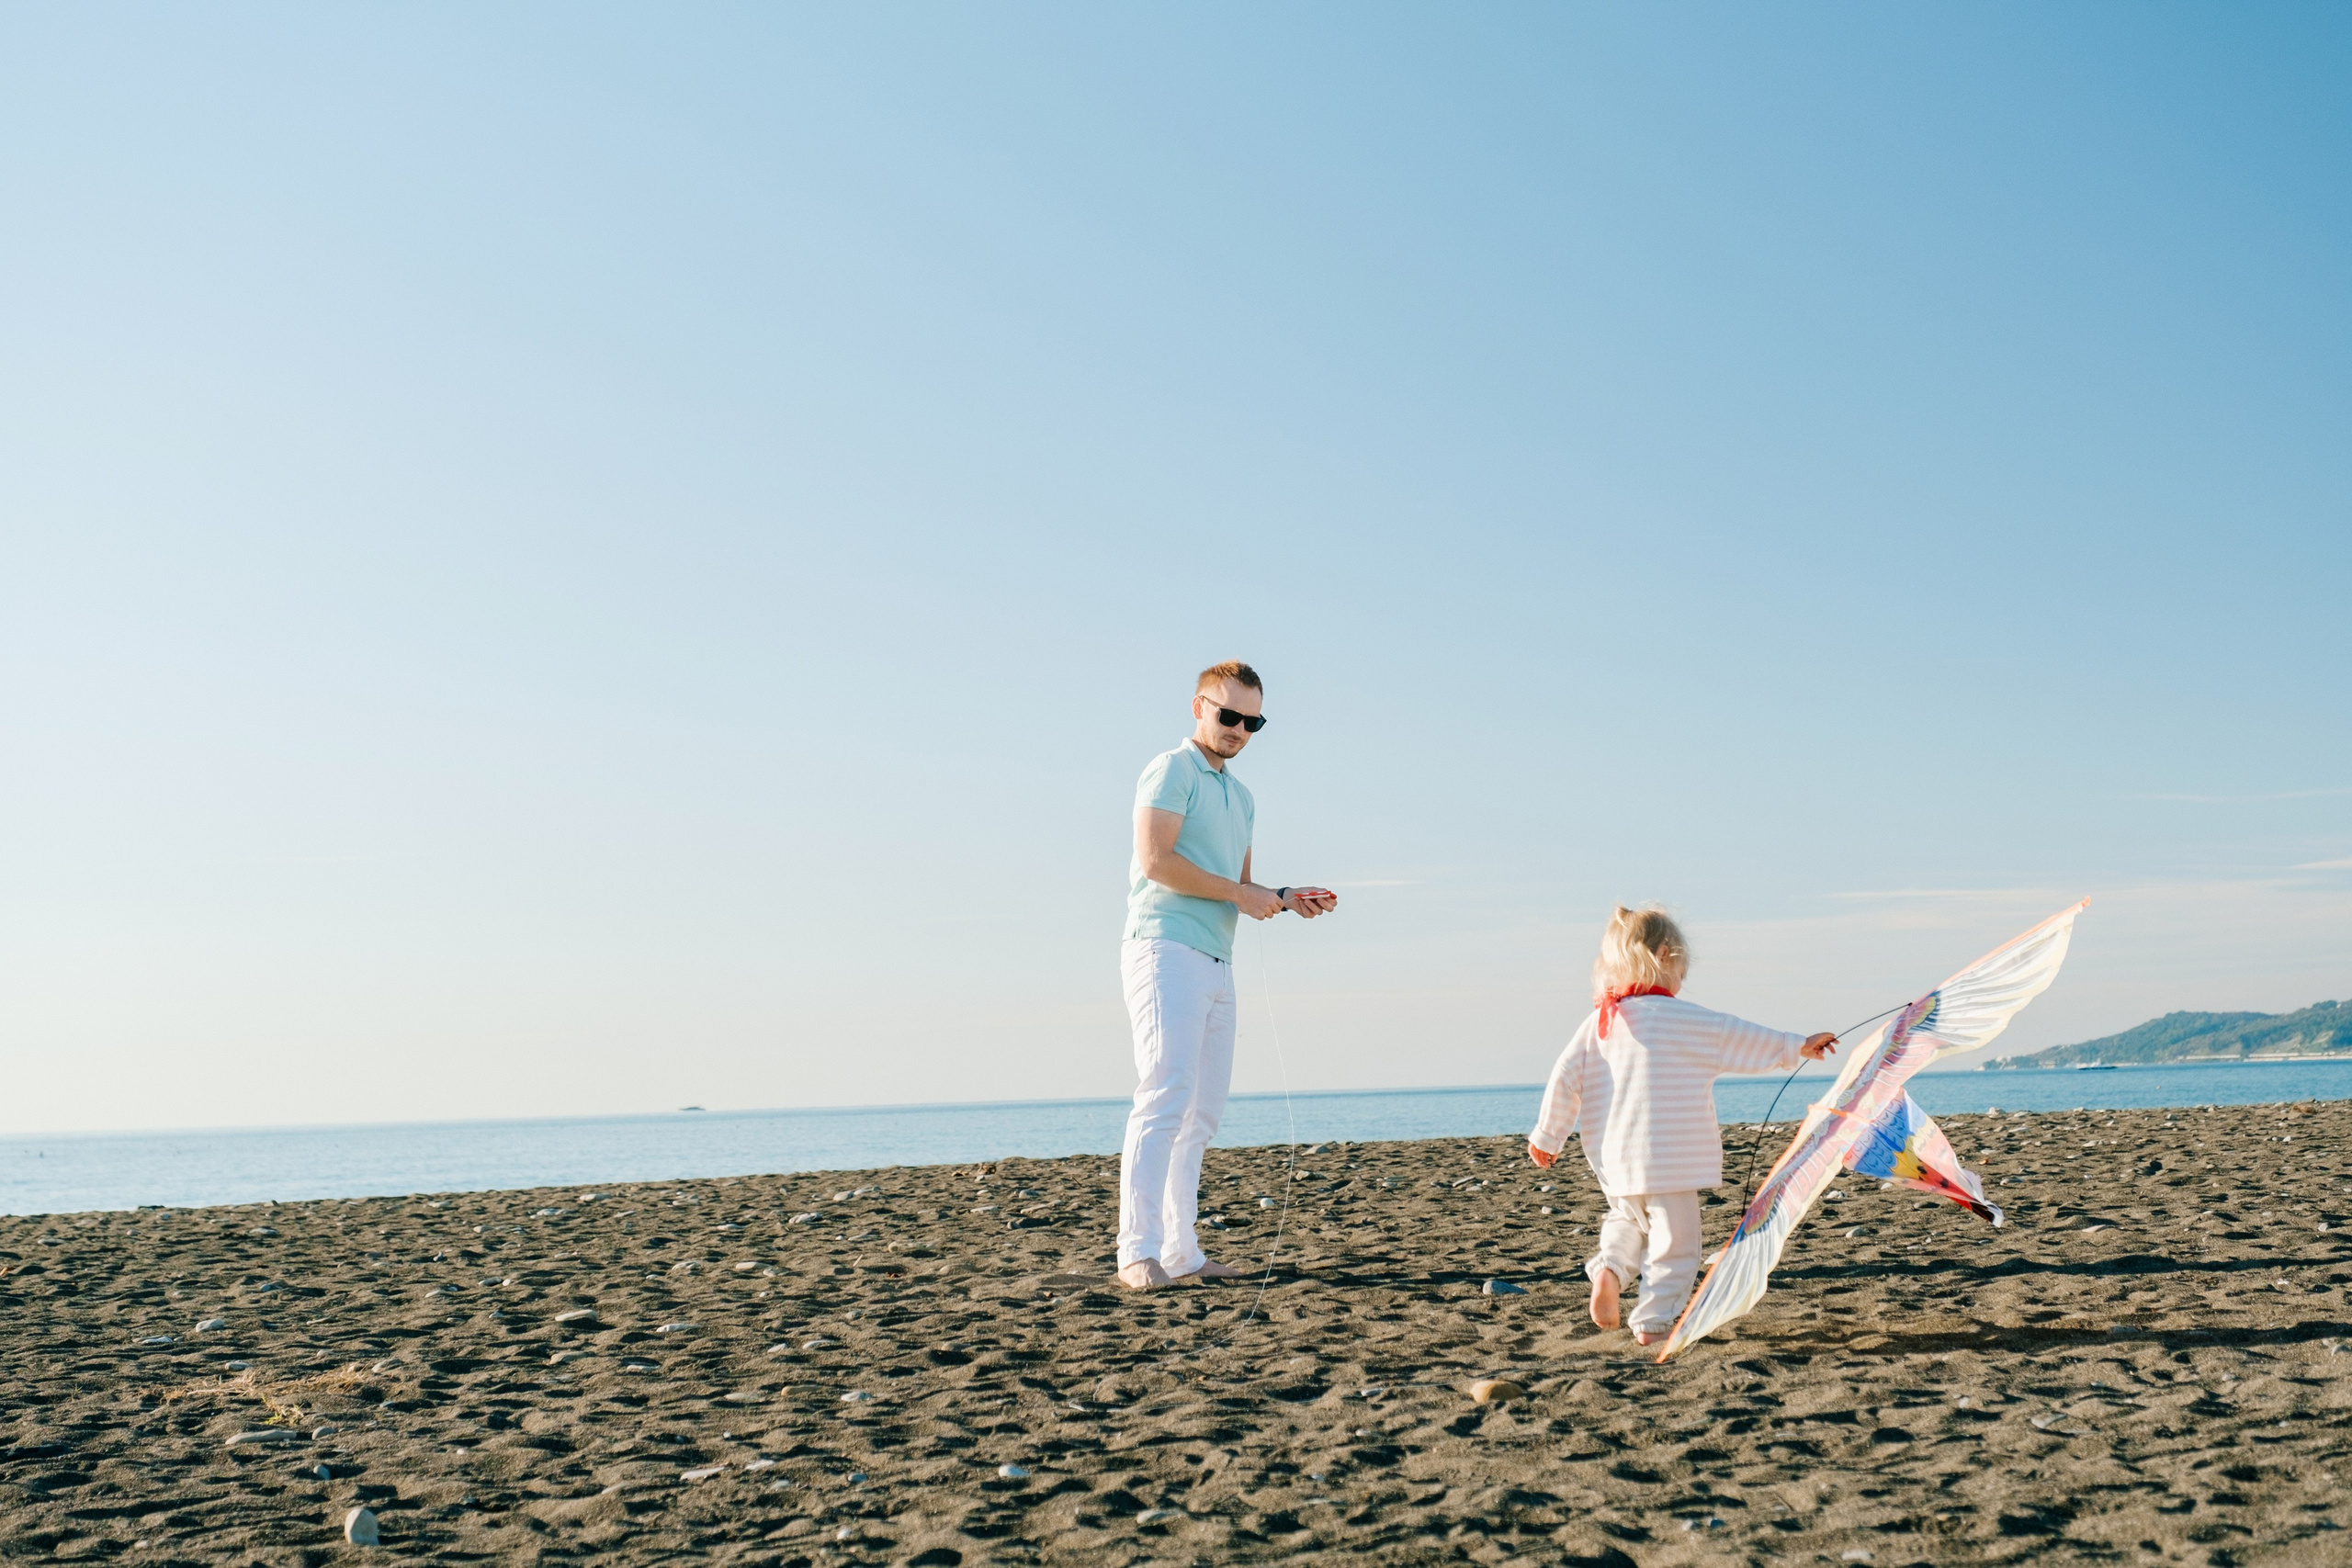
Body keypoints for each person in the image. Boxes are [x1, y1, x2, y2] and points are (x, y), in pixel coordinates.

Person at [1116, 660, 1337, 1291]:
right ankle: (1137, 1252)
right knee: (1164, 1096)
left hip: (1217, 960)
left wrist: (1285, 897)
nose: (1239, 728)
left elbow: (1239, 885)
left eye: (1253, 721)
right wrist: (1242, 894)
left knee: (1201, 1114)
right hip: (1164, 948)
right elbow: (1156, 861)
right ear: (1200, 708)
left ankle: (1182, 1252)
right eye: (1229, 714)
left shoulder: (1242, 797)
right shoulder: (1171, 769)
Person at [1527, 906, 1838, 1344]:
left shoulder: (1599, 1023)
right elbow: (1739, 1036)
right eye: (1681, 971)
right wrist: (1796, 1046)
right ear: (1663, 956)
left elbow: (1565, 1078)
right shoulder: (1685, 1019)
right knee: (1676, 1244)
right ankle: (1654, 1322)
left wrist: (1547, 1135)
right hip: (1670, 1158)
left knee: (1627, 1219)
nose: (1680, 981)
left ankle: (1610, 1271)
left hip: (1616, 1162)